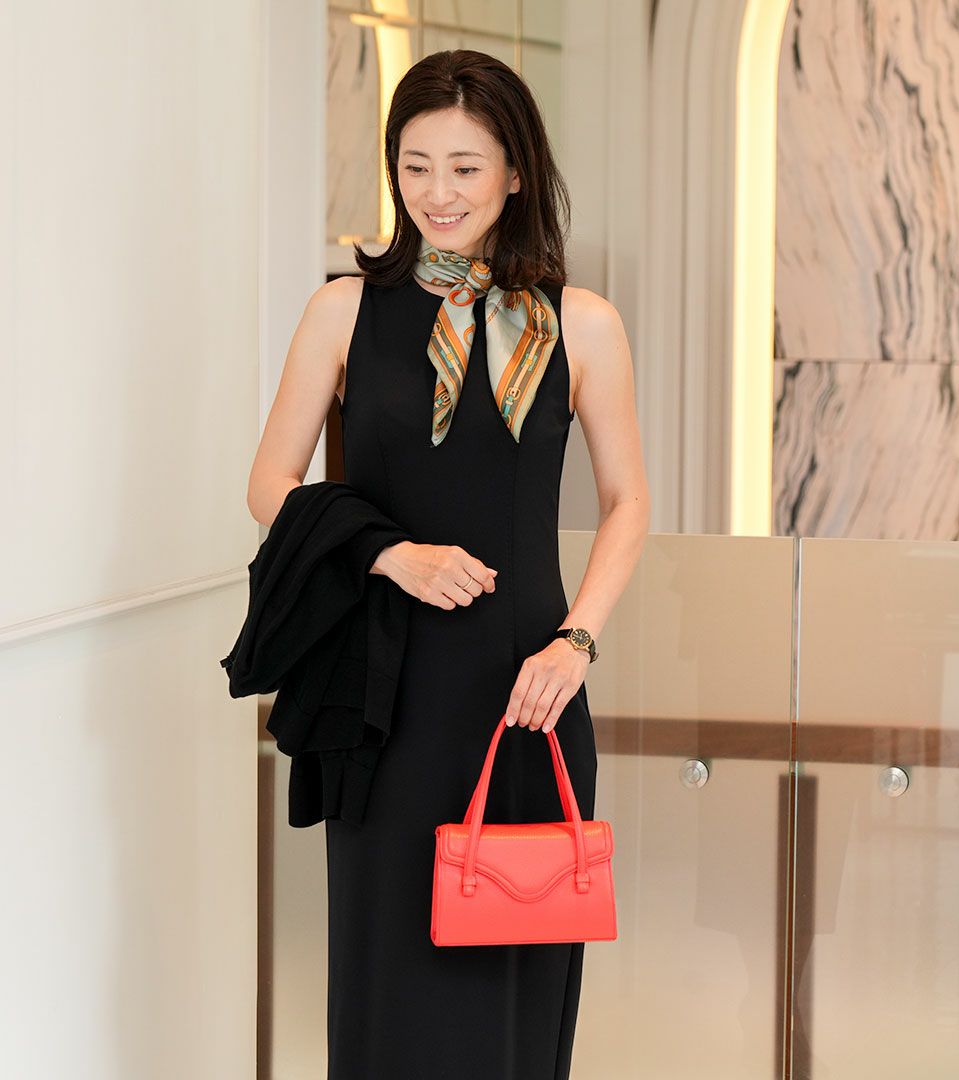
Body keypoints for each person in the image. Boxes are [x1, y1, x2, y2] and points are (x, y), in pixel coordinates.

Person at [245, 48, 649, 1080]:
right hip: (385, 697)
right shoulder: (344, 312)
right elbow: (270, 484)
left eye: (465, 168)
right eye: (415, 166)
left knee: (514, 979)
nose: (438, 193)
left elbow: (627, 503)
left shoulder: (583, 324)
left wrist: (576, 644)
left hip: (526, 696)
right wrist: (391, 554)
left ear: (515, 172)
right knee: (388, 982)